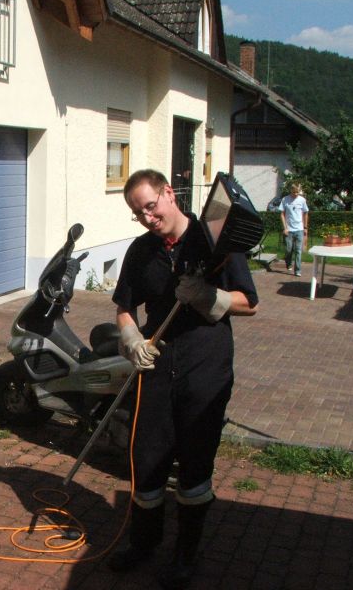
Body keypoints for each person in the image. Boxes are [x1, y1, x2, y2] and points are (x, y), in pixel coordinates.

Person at [108, 169, 258, 589]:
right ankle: (144, 543)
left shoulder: (214, 241)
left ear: (169, 194)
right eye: (138, 213)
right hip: (156, 366)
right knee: (147, 459)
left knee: (195, 462)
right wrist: (131, 338)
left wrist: (211, 297)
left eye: (150, 206)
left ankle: (185, 554)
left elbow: (250, 302)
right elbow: (124, 306)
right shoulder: (142, 251)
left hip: (205, 366)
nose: (147, 218)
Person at [278, 181, 309, 276]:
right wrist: (285, 228)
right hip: (289, 229)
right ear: (290, 190)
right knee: (288, 250)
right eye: (294, 192)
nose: (295, 194)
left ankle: (298, 270)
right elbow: (282, 214)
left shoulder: (302, 200)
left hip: (299, 229)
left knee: (298, 250)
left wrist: (305, 227)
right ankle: (288, 263)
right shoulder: (285, 199)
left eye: (297, 192)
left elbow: (306, 213)